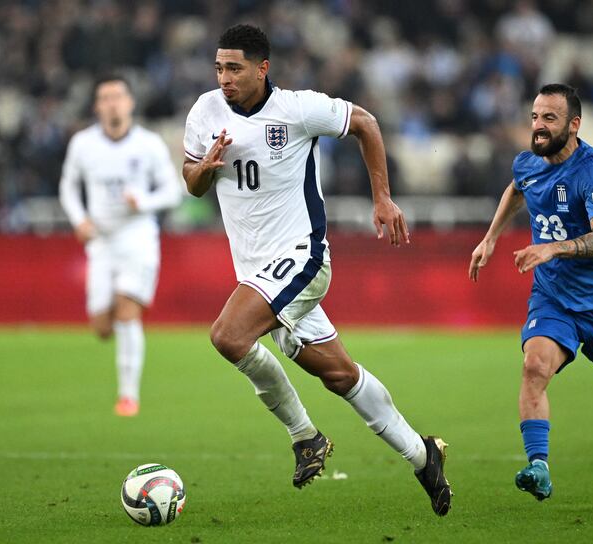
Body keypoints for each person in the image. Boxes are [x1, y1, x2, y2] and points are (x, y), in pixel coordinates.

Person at [182, 24, 451, 516]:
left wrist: (383, 198)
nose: (224, 78)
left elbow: (366, 123)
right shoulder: (205, 111)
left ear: (262, 69)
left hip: (303, 258)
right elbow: (192, 183)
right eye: (219, 67)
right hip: (255, 271)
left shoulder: (298, 109)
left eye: (235, 68)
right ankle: (422, 453)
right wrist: (206, 167)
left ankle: (305, 437)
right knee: (339, 375)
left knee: (228, 336)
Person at [469, 84, 593, 501]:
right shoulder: (528, 163)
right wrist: (491, 238)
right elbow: (517, 189)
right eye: (535, 117)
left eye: (549, 119)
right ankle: (539, 467)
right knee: (534, 367)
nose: (538, 126)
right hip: (553, 297)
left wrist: (552, 247)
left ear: (574, 125)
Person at [59, 75, 182, 417]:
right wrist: (79, 220)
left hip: (138, 237)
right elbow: (68, 187)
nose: (112, 103)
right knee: (101, 327)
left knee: (127, 310)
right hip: (100, 241)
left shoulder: (149, 144)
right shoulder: (83, 144)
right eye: (105, 98)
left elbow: (171, 191)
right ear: (98, 106)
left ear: (130, 103)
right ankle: (118, 315)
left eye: (118, 96)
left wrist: (142, 201)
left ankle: (128, 396)